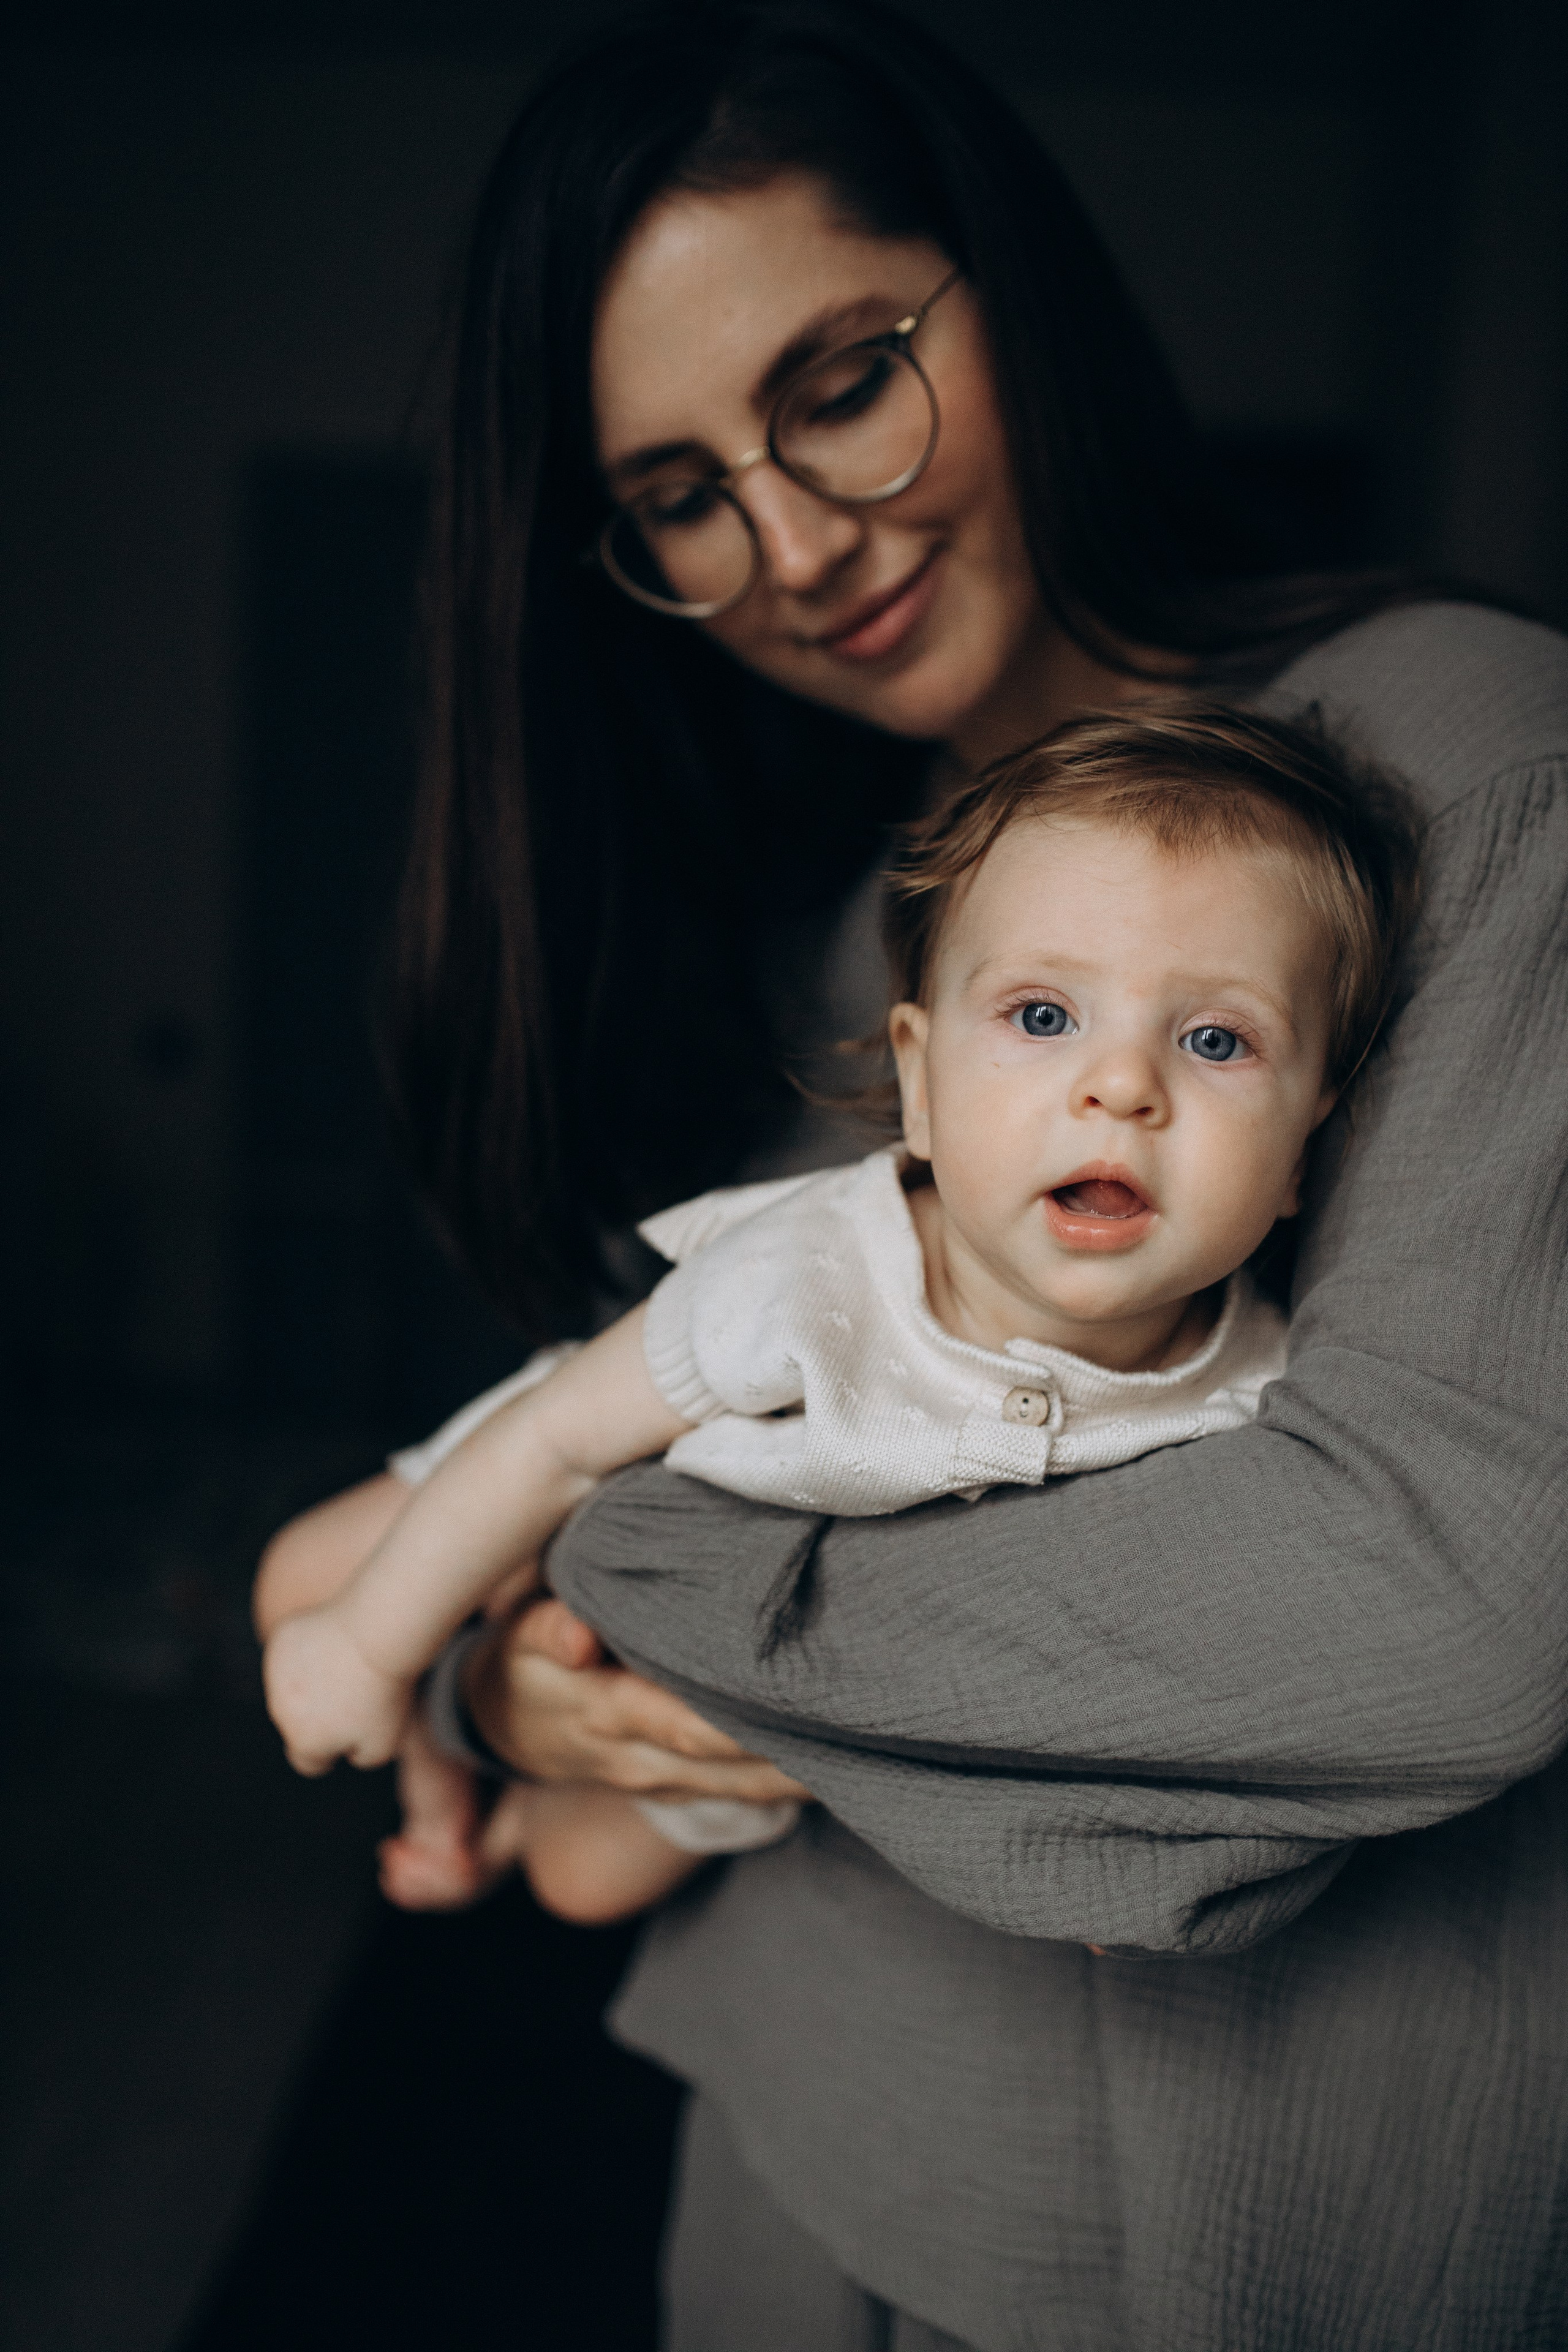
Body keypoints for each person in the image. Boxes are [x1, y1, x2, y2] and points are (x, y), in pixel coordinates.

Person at [255, 3, 1568, 2345]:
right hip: (787, 2136)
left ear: (1004, 284)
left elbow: (1446, 1595)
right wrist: (503, 1700)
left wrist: (667, 1592)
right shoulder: (840, 936)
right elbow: (574, 1495)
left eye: (840, 382)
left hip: (1248, 2217)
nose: (791, 542)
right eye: (674, 496)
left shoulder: (1471, 760)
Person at [259, 702, 1415, 1927]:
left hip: (759, 1639)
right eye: (1041, 1017)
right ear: (916, 1084)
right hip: (611, 1439)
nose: (1120, 1085)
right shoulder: (807, 1275)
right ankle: (436, 1790)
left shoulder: (1257, 1403)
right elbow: (555, 1443)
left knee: (579, 1884)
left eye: (1213, 1039)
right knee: (310, 1596)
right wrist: (376, 1646)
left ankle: (493, 1811)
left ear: (1303, 1149)